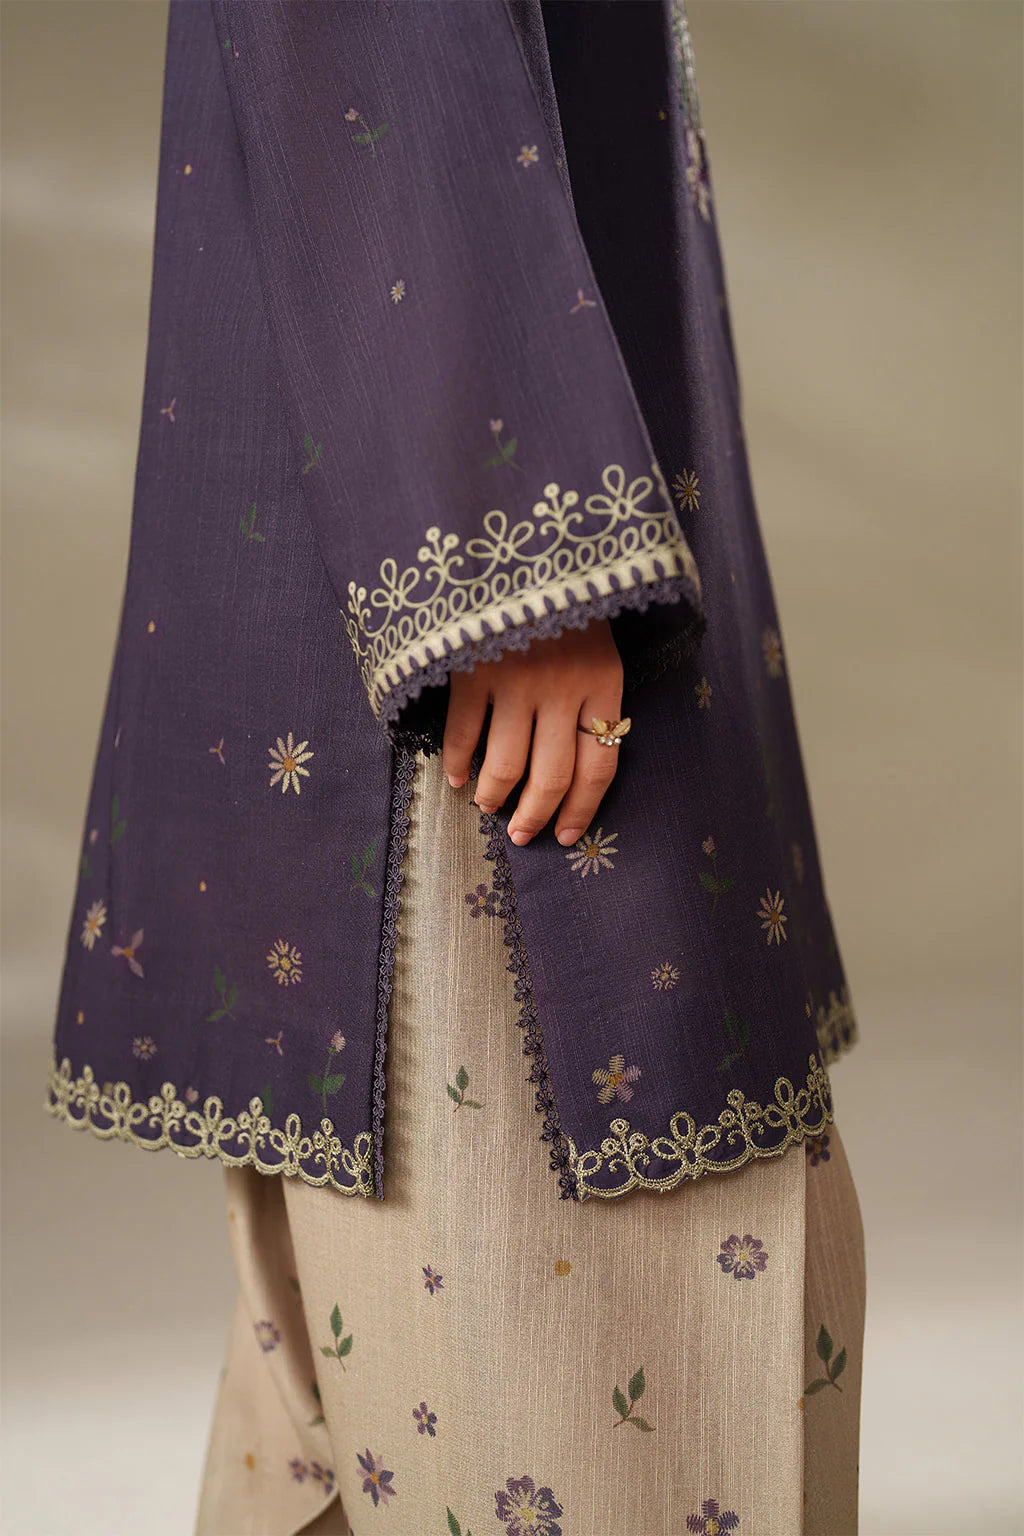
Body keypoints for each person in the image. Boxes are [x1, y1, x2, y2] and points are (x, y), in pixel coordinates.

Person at [45, 3, 866, 1531]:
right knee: (611, 1354)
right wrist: (513, 544)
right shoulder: (510, 576)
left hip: (505, 465)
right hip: (478, 596)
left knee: (405, 1375)